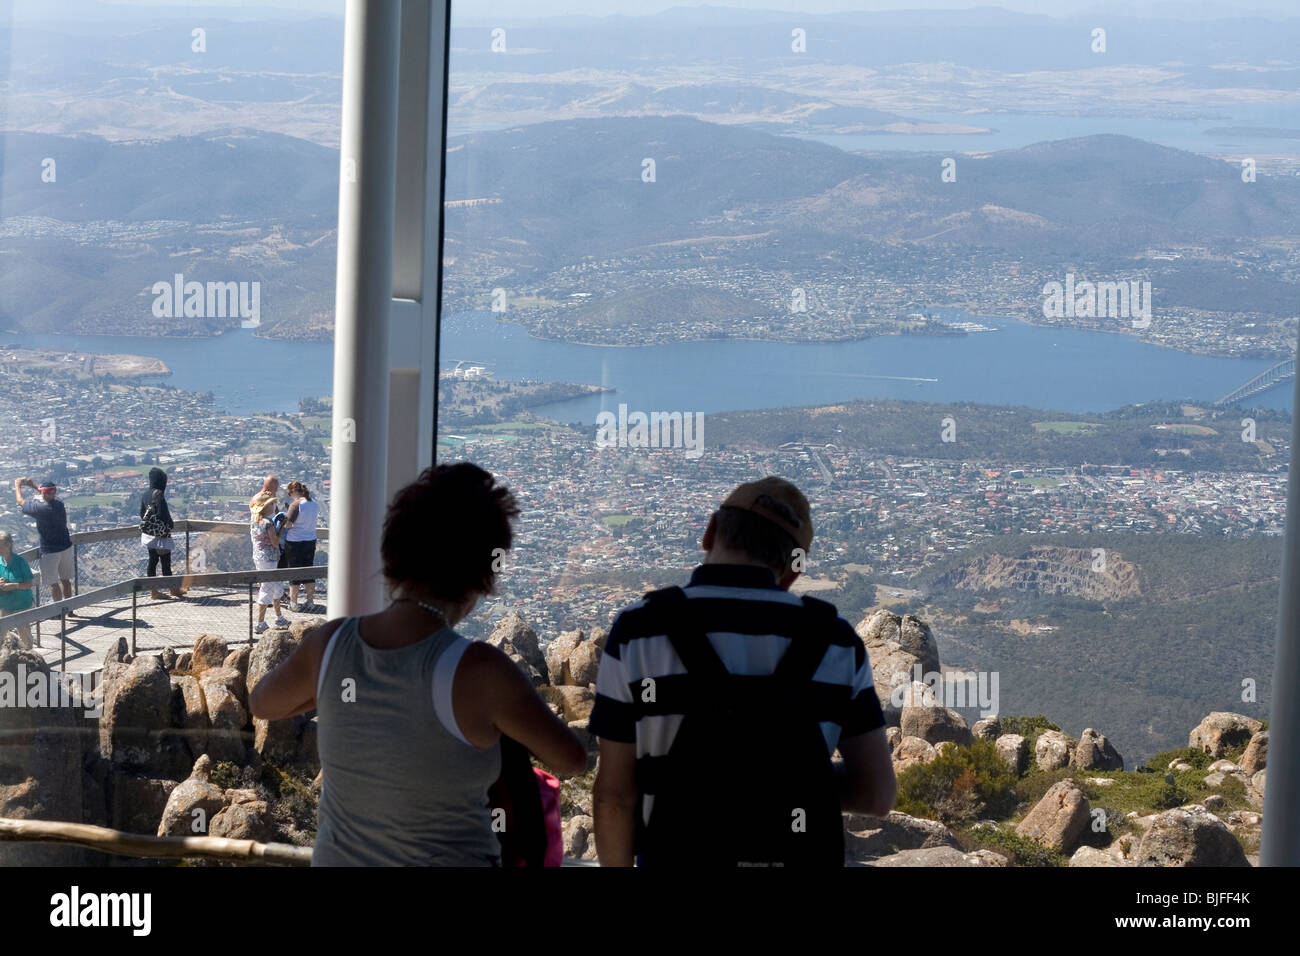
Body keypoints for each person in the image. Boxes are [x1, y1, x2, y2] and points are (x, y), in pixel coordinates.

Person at [249, 462, 586, 866]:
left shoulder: (330, 645)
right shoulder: (481, 671)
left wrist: (332, 692)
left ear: (392, 553)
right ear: (482, 573)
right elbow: (572, 759)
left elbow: (262, 703)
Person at [589, 476, 897, 867]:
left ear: (710, 530)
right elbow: (876, 794)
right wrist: (790, 784)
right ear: (792, 569)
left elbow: (614, 798)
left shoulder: (639, 631)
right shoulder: (836, 642)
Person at [13, 477, 76, 613]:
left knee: (53, 583)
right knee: (65, 580)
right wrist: (34, 485)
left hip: (50, 551)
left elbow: (21, 502)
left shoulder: (41, 509)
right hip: (66, 546)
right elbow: (47, 494)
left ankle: (60, 611)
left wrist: (18, 486)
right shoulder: (59, 503)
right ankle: (69, 609)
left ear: (43, 493)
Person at [140, 467, 183, 601]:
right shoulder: (159, 494)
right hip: (161, 535)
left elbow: (142, 513)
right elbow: (163, 514)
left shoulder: (146, 494)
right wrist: (169, 525)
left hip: (149, 533)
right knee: (165, 561)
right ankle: (173, 589)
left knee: (152, 561)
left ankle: (153, 591)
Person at [250, 491, 288, 634]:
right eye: (272, 503)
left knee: (275, 586)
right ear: (266, 507)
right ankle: (260, 622)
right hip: (270, 558)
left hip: (259, 557)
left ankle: (279, 617)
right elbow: (275, 541)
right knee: (267, 589)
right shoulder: (267, 523)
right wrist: (280, 528)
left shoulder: (254, 521)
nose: (274, 506)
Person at [282, 480, 320, 611]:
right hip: (310, 540)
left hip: (294, 541)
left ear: (293, 492)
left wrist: (286, 515)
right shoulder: (314, 504)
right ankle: (310, 601)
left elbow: (288, 525)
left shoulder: (296, 505)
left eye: (289, 493)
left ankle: (294, 603)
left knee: (294, 571)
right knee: (309, 570)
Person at [0, 530, 37, 649]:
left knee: (25, 638)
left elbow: (29, 583)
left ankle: (25, 666)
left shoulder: (20, 562)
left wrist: (14, 585)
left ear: (8, 545)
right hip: (6, 604)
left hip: (22, 605)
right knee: (0, 636)